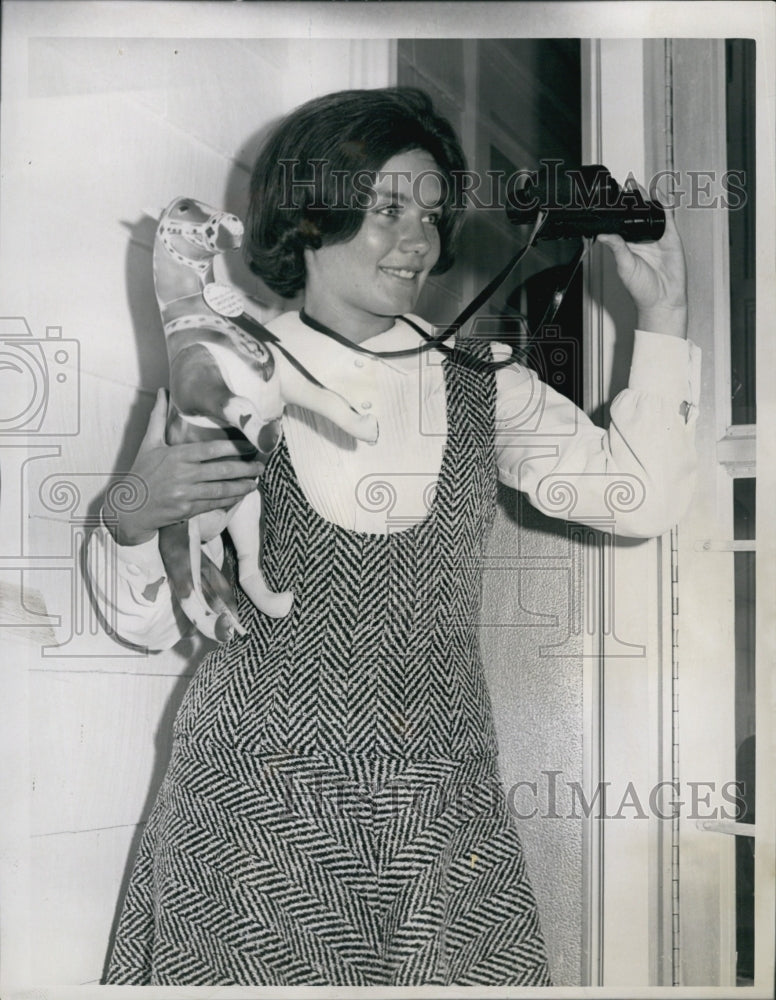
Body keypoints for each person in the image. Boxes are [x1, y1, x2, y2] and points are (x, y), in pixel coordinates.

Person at [88, 87, 699, 986]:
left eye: (431, 214)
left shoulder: (487, 384)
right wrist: (130, 514)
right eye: (386, 210)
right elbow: (144, 624)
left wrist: (666, 317)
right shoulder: (221, 369)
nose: (419, 239)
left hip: (442, 819)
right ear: (307, 219)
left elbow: (641, 500)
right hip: (249, 811)